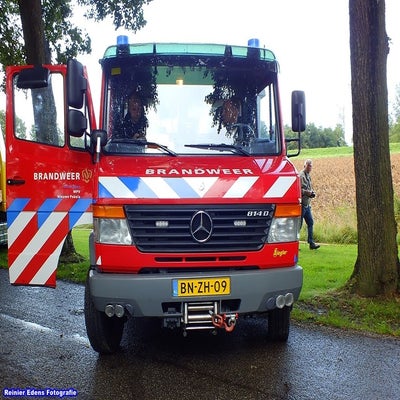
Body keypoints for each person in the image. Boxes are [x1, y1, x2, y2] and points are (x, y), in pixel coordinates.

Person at [300, 159, 320, 250]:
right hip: (301, 204)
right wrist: (306, 192)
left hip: (307, 204)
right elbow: (298, 189)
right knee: (298, 225)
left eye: (311, 166)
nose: (309, 168)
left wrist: (311, 192)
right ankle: (295, 244)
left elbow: (308, 188)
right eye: (308, 166)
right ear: (304, 166)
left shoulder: (308, 175)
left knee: (310, 222)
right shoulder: (301, 176)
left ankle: (311, 242)